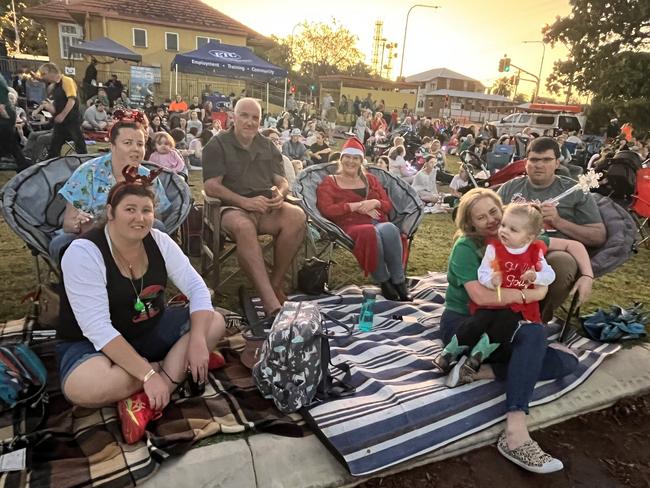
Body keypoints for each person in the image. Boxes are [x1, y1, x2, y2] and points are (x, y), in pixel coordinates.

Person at [57, 174, 226, 444]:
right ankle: (173, 369)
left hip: (149, 328)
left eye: (146, 210)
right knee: (82, 388)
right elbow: (97, 328)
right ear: (110, 212)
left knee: (214, 322)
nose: (140, 218)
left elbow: (197, 288)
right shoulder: (84, 252)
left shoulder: (158, 240)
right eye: (130, 209)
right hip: (93, 344)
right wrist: (148, 374)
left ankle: (151, 398)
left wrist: (196, 342)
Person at [442, 187, 594, 473]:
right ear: (470, 223)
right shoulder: (466, 247)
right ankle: (515, 432)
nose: (490, 220)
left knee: (567, 361)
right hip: (467, 326)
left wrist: (587, 274)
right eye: (480, 217)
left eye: (494, 212)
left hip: (505, 325)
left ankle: (479, 370)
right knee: (535, 335)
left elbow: (574, 247)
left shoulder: (516, 234)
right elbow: (483, 299)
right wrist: (532, 295)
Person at [202, 98, 306, 316]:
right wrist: (244, 202)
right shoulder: (218, 144)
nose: (250, 122)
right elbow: (211, 186)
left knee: (296, 216)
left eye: (255, 117)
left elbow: (282, 180)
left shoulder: (267, 145)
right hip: (231, 208)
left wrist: (281, 193)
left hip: (265, 205)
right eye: (244, 115)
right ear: (233, 116)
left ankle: (275, 284)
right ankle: (270, 303)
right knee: (244, 227)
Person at [434, 202, 556, 386]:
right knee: (478, 321)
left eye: (493, 213)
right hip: (489, 305)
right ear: (471, 222)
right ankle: (449, 353)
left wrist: (537, 277)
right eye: (504, 226)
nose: (503, 230)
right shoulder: (494, 248)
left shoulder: (533, 250)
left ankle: (474, 361)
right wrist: (492, 280)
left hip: (512, 309)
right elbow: (484, 275)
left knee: (505, 328)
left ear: (528, 237)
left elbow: (549, 275)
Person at [497, 137, 605, 321]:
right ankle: (492, 308)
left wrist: (558, 221)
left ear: (557, 163)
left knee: (561, 264)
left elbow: (598, 235)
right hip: (511, 248)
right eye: (534, 160)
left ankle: (534, 319)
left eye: (546, 160)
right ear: (525, 163)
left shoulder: (575, 191)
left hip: (554, 249)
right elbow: (491, 224)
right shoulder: (510, 188)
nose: (539, 165)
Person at [49, 111, 171, 261]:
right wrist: (80, 224)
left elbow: (158, 218)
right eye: (127, 143)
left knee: (158, 227)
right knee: (60, 244)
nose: (136, 149)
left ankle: (142, 280)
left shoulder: (148, 178)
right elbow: (68, 223)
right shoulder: (88, 173)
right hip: (93, 241)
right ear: (112, 146)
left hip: (133, 241)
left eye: (140, 144)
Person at [316, 137, 412, 302]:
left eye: (355, 158)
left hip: (377, 221)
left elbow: (387, 205)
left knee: (389, 228)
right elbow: (327, 209)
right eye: (347, 157)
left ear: (361, 160)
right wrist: (354, 206)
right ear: (341, 158)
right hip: (351, 224)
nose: (351, 162)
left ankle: (398, 280)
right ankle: (384, 280)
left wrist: (374, 202)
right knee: (369, 232)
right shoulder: (330, 182)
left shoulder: (371, 180)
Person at [38, 62, 87, 158]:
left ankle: (84, 161)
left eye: (44, 74)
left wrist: (62, 115)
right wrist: (52, 109)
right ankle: (51, 162)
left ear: (50, 72)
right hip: (61, 122)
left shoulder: (67, 80)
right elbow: (60, 104)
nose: (43, 77)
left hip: (72, 120)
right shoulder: (55, 86)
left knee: (79, 144)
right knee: (55, 145)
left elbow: (72, 99)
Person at [0, 75, 28, 171]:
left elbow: (1, 107)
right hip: (7, 116)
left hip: (5, 117)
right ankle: (22, 163)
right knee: (9, 141)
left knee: (10, 141)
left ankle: (23, 164)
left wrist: (6, 117)